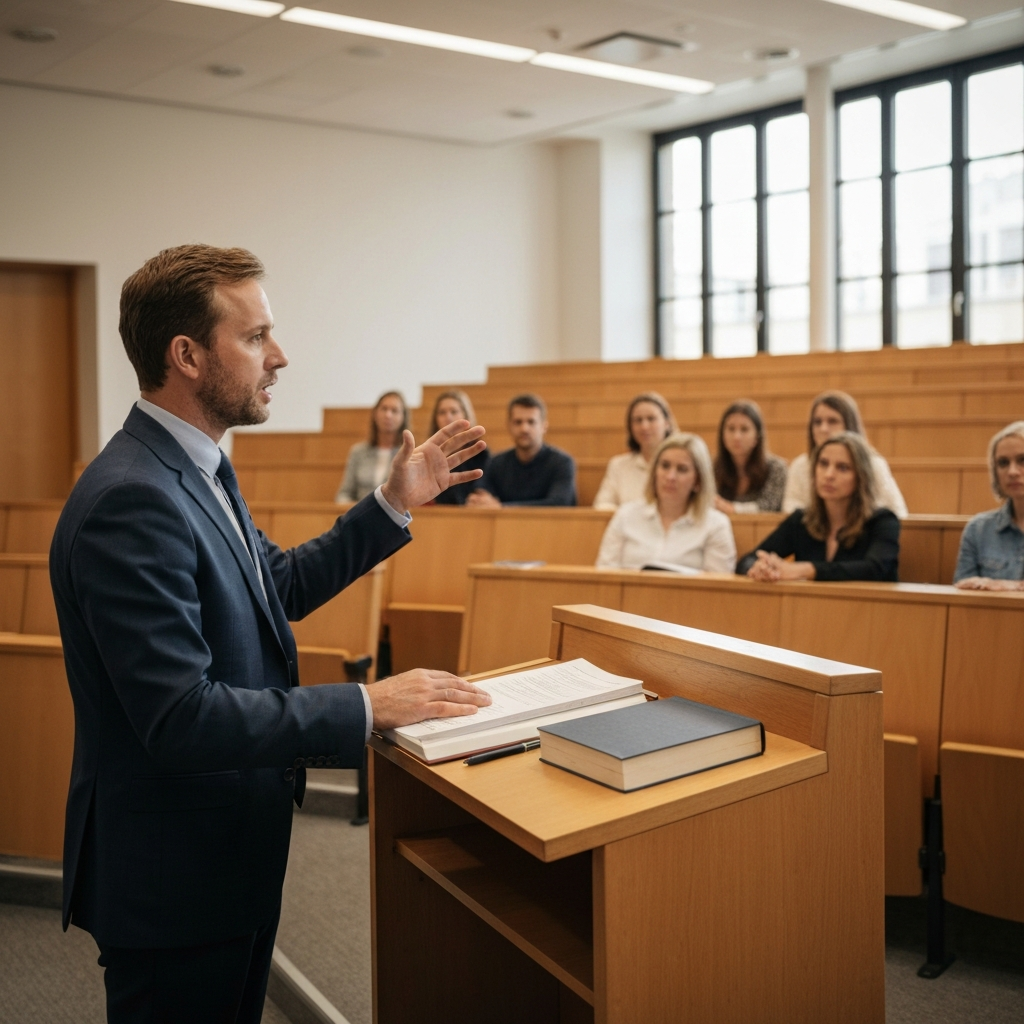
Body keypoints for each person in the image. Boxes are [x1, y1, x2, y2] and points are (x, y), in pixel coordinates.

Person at [49, 244, 492, 1024]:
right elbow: (179, 717)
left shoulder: (196, 465)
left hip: (224, 854)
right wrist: (366, 706)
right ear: (185, 355)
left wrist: (393, 504)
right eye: (254, 338)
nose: (278, 357)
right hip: (173, 877)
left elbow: (272, 585)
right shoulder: (133, 499)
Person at [737, 432, 900, 583]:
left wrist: (807, 570)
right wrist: (759, 568)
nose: (829, 475)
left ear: (861, 477)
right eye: (823, 464)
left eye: (842, 467)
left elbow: (875, 569)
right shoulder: (801, 520)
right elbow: (748, 560)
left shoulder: (883, 521)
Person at [596, 433, 736, 573]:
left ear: (698, 480)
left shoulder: (716, 525)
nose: (670, 477)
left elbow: (718, 584)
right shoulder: (626, 515)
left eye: (682, 469)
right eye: (665, 466)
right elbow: (604, 573)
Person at [782, 390, 908, 517]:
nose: (823, 429)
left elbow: (898, 513)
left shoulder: (874, 465)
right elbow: (790, 508)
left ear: (849, 425)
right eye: (817, 422)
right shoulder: (800, 465)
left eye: (832, 421)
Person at [467, 393, 576, 507]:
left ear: (544, 426)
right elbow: (479, 492)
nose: (524, 429)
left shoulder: (562, 463)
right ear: (509, 425)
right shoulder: (496, 463)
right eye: (518, 422)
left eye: (531, 422)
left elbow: (559, 504)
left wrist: (501, 508)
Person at [954, 420, 1024, 591]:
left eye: (1022, 460)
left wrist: (1012, 586)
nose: (1012, 472)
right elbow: (961, 590)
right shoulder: (978, 529)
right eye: (1003, 463)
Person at [593, 392, 676, 510]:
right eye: (638, 420)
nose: (644, 426)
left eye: (651, 419)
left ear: (667, 423)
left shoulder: (680, 465)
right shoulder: (618, 465)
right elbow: (602, 505)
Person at [713, 400, 787, 513]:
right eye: (731, 429)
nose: (736, 437)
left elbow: (770, 506)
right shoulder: (713, 467)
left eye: (744, 429)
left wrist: (733, 509)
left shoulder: (776, 468)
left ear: (757, 436)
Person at [335, 390, 408, 502]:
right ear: (375, 413)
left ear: (403, 417)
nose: (388, 415)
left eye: (394, 411)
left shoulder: (408, 454)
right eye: (384, 409)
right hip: (360, 514)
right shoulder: (358, 452)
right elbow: (344, 493)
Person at [429, 389, 490, 506]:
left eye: (454, 411)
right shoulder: (429, 453)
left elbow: (482, 490)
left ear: (466, 415)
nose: (448, 417)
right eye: (442, 412)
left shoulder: (480, 452)